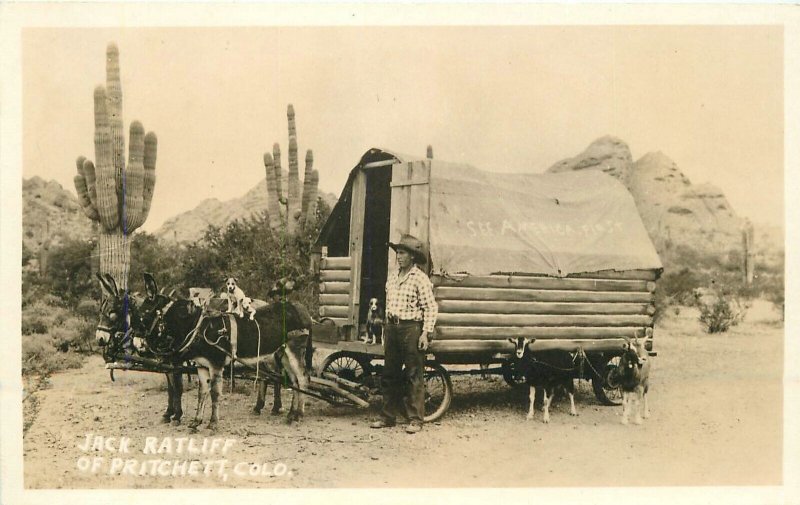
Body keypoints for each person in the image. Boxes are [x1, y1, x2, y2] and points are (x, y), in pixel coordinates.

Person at [370, 234, 438, 434]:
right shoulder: (392, 277)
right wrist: (386, 330)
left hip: (411, 329)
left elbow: (431, 308)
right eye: (397, 253)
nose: (398, 257)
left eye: (402, 253)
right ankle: (387, 416)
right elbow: (389, 304)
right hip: (392, 328)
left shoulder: (420, 279)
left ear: (412, 257)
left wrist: (425, 334)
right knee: (389, 373)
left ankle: (415, 419)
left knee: (413, 374)